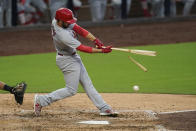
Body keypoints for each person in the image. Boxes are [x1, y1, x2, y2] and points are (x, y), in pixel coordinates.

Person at [34, 8, 118, 117]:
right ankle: (41, 100)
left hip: (72, 57)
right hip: (67, 60)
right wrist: (101, 50)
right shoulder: (62, 35)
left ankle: (104, 107)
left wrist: (96, 40)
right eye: (67, 22)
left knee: (88, 84)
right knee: (71, 90)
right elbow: (83, 48)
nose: (69, 24)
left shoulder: (58, 21)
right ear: (60, 21)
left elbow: (79, 29)